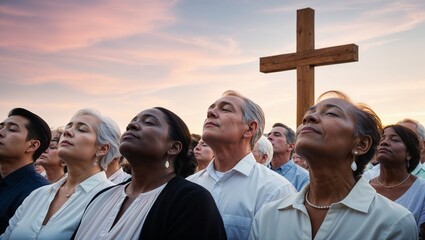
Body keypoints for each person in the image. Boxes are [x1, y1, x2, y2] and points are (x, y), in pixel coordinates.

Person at [249, 91, 418, 240]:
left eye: (331, 113)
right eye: (308, 115)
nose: (309, 118)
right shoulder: (268, 216)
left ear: (361, 144)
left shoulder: (393, 223)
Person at [73, 107, 226, 239]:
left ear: (173, 147)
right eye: (133, 121)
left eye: (148, 122)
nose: (131, 125)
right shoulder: (102, 196)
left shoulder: (191, 201)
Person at [187, 90, 296, 240]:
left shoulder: (275, 190)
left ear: (250, 128)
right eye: (211, 109)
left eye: (225, 109)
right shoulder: (190, 184)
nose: (211, 113)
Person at [1, 108, 120, 239]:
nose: (67, 132)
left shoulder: (111, 198)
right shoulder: (37, 195)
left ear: (102, 148)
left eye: (82, 129)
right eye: (68, 127)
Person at [0, 108, 51, 234]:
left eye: (12, 129)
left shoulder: (39, 192)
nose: (1, 132)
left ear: (32, 145)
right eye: (1, 127)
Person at [370, 124, 425, 237]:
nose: (384, 142)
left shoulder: (422, 191)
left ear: (409, 153)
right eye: (383, 138)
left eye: (394, 139)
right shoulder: (364, 185)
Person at [267, 123, 309, 191]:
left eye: (277, 135)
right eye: (269, 134)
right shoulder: (260, 172)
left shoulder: (303, 177)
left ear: (290, 146)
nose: (269, 137)